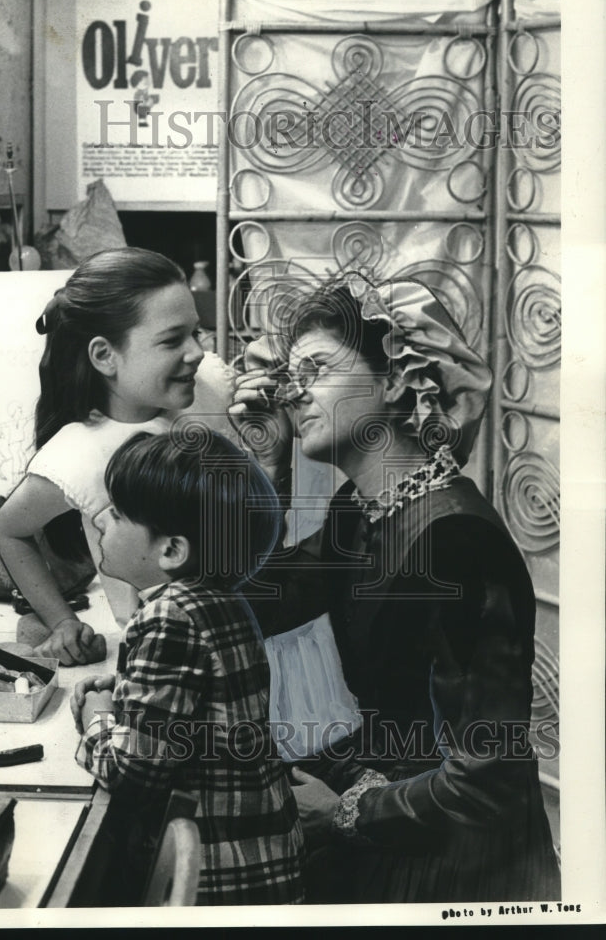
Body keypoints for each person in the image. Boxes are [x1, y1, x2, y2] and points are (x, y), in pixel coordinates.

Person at [228, 271, 561, 904]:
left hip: (459, 863)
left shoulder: (453, 537)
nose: (293, 393)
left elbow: (486, 774)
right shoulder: (360, 510)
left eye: (317, 370)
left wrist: (349, 811)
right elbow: (258, 603)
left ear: (393, 379)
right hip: (394, 800)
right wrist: (272, 465)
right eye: (290, 375)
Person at [71, 429, 306, 906]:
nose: (99, 521)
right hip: (263, 853)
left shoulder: (168, 615)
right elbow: (206, 704)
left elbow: (134, 773)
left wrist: (98, 715)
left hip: (217, 876)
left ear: (171, 551)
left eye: (117, 515)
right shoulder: (222, 601)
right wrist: (126, 688)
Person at [0, 247, 226, 666]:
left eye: (197, 332)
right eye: (173, 340)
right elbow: (8, 529)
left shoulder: (210, 386)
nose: (197, 352)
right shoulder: (81, 455)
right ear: (104, 356)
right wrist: (62, 621)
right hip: (164, 661)